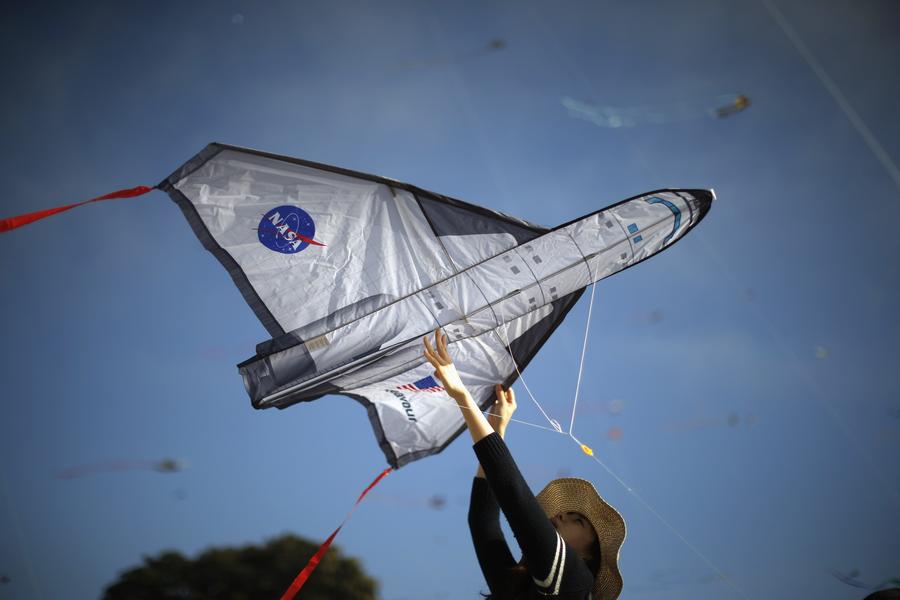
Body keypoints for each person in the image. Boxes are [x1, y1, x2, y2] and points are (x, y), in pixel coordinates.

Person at [423, 330, 626, 599]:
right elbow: (485, 520)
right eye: (570, 514)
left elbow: (509, 501)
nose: (561, 515)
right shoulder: (528, 583)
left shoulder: (575, 580)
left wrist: (462, 395)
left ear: (589, 554)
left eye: (578, 520)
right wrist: (496, 429)